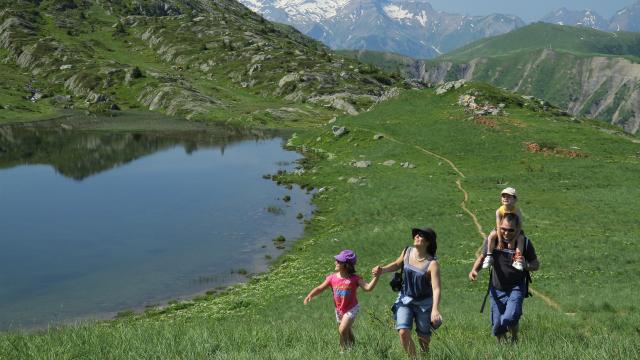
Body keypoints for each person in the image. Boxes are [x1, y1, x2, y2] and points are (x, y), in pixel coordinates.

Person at [469, 213, 539, 342]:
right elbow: (482, 257)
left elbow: (536, 265)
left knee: (509, 318)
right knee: (497, 326)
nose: (506, 233)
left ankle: (514, 338)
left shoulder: (525, 243)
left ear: (517, 229)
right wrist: (474, 270)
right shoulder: (493, 241)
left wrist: (526, 265)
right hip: (496, 288)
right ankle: (504, 349)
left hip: (516, 288)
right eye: (503, 229)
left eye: (510, 230)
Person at [373, 227, 442, 358]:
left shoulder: (432, 264)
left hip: (424, 304)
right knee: (403, 332)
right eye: (416, 234)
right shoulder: (407, 251)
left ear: (428, 242)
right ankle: (413, 358)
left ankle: (424, 355)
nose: (416, 236)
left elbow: (436, 288)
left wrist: (435, 310)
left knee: (423, 338)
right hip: (405, 299)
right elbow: (396, 264)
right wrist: (382, 270)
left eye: (420, 235)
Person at [304, 249, 380, 351]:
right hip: (339, 309)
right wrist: (310, 295)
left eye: (339, 261)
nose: (335, 262)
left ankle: (342, 352)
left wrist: (376, 277)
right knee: (346, 331)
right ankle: (354, 348)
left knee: (342, 330)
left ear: (346, 265)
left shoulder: (354, 279)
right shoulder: (332, 278)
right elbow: (320, 288)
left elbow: (368, 288)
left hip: (351, 308)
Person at [482, 187, 526, 270]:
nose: (505, 198)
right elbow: (498, 226)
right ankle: (489, 256)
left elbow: (519, 226)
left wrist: (513, 240)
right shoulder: (499, 211)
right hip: (501, 230)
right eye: (503, 196)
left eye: (509, 196)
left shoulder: (517, 211)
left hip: (515, 230)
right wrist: (500, 240)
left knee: (521, 239)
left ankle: (518, 259)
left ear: (515, 200)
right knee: (491, 236)